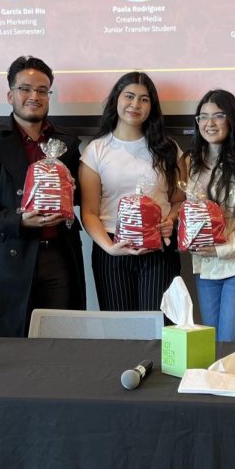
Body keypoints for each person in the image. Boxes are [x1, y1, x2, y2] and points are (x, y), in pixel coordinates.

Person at [0, 55, 85, 337]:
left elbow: (81, 198)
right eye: (25, 89)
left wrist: (68, 190)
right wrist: (19, 220)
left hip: (59, 258)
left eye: (42, 90)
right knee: (4, 349)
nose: (34, 96)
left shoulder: (67, 143)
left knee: (60, 343)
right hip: (7, 256)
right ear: (10, 95)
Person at [79, 72, 182, 310]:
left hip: (158, 249)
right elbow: (90, 212)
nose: (135, 105)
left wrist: (170, 220)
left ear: (152, 106)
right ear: (116, 99)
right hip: (112, 248)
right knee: (120, 332)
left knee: (159, 328)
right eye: (129, 96)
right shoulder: (96, 150)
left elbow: (178, 201)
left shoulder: (168, 149)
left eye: (144, 99)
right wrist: (109, 247)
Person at [181, 90, 235, 341]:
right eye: (203, 117)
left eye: (219, 116)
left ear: (231, 119)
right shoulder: (189, 164)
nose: (210, 123)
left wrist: (223, 248)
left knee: (229, 344)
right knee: (210, 344)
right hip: (206, 269)